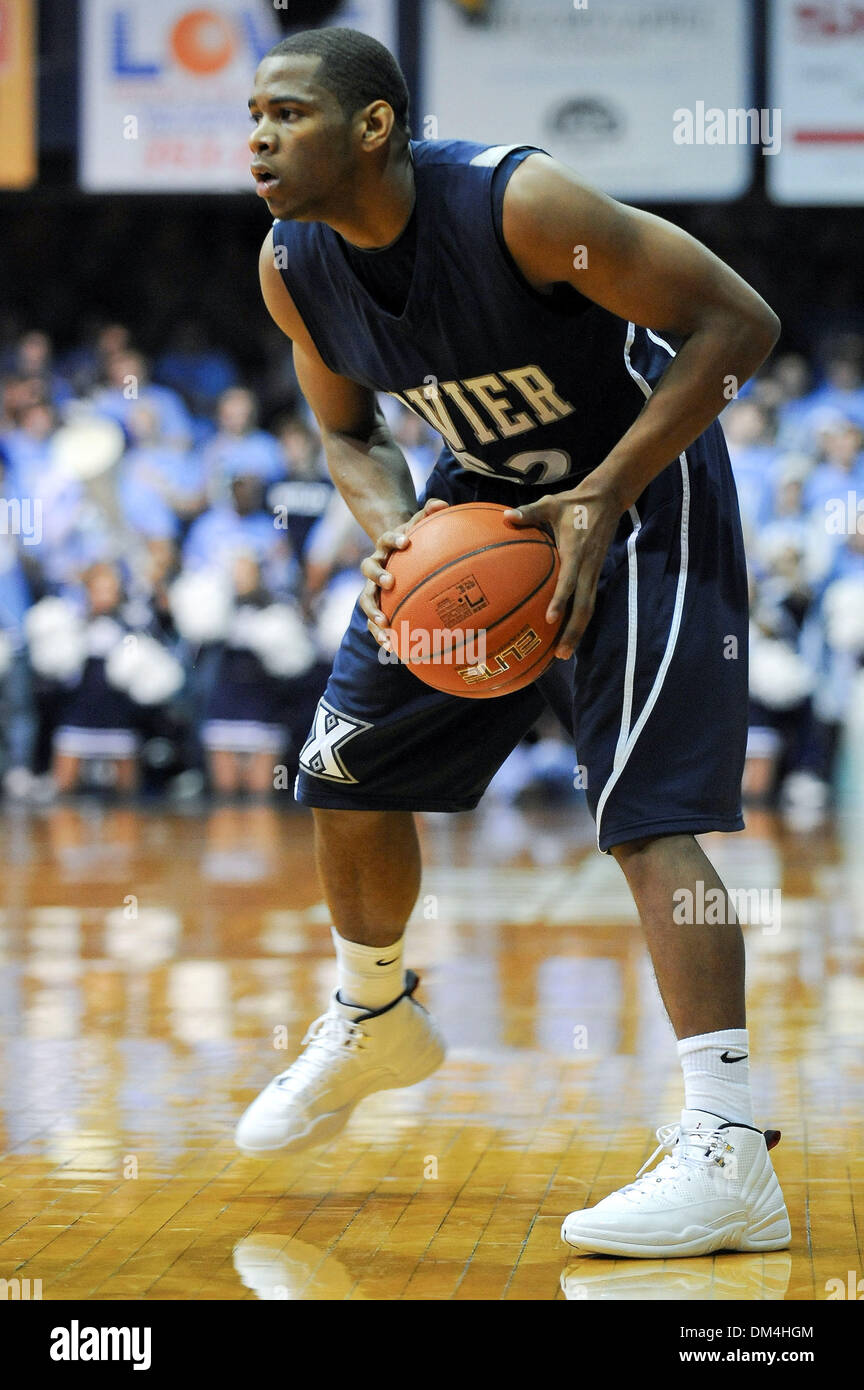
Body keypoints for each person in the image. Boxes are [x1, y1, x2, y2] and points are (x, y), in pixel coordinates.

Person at [235, 27, 791, 1259]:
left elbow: (736, 326)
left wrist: (602, 494)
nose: (258, 137)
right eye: (251, 117)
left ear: (374, 126)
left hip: (641, 491)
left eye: (287, 113)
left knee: (646, 817)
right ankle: (374, 1006)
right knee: (343, 769)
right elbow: (348, 436)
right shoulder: (291, 265)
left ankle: (729, 1147)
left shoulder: (520, 204)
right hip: (479, 510)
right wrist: (391, 535)